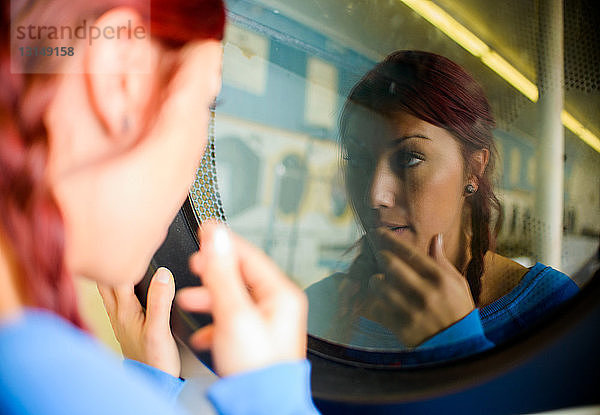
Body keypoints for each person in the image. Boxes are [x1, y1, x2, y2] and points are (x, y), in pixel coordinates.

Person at [0, 0, 318, 414]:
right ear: (120, 77)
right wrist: (273, 399)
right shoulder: (40, 377)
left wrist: (147, 385)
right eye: (208, 103)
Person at [306, 50, 578, 362]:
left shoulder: (547, 307)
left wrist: (456, 344)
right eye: (358, 160)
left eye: (409, 158)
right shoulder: (315, 309)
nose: (375, 195)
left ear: (474, 168)